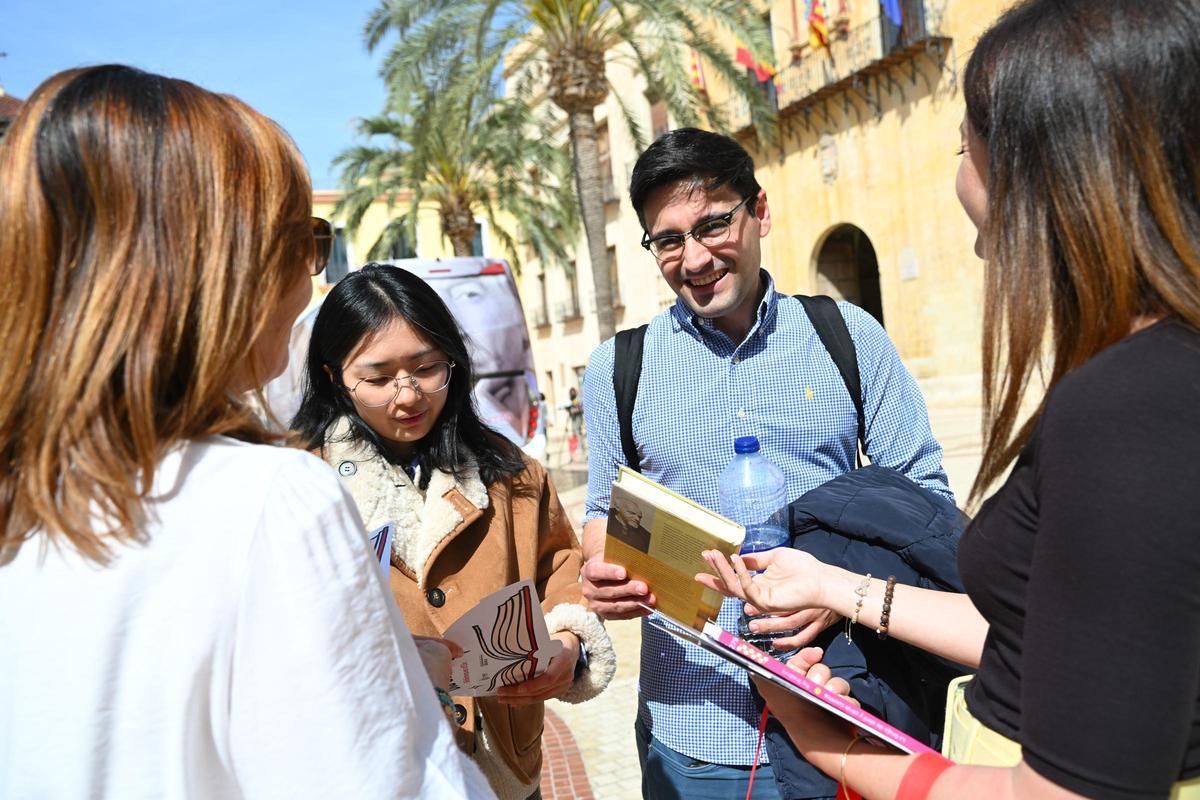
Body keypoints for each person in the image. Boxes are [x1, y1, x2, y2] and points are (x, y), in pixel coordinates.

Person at [698, 1, 1200, 797]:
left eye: (963, 148)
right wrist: (834, 587)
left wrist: (832, 746)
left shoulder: (1126, 409)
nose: (957, 180)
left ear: (1044, 170)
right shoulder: (1157, 376)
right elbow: (1058, 637)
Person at [0, 65, 491, 798]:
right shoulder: (271, 500)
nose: (306, 279)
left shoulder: (30, 501)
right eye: (297, 240)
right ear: (214, 262)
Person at [579, 127, 952, 799]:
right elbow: (604, 515)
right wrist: (604, 573)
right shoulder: (617, 370)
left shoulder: (849, 337)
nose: (694, 257)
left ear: (761, 213)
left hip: (845, 716)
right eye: (668, 240)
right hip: (695, 734)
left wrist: (836, 593)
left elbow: (925, 501)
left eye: (714, 224)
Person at [289, 264, 616, 800]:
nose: (408, 395)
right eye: (376, 378)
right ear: (334, 377)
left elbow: (560, 568)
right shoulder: (300, 486)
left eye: (425, 368)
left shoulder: (511, 472)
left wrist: (569, 643)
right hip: (380, 776)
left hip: (504, 769)